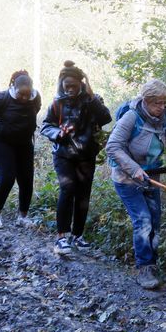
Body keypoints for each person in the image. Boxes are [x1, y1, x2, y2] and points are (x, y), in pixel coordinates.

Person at [106, 78, 166, 289]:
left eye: (164, 103)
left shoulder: (163, 118)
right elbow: (113, 147)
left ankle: (152, 264)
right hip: (126, 179)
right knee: (143, 220)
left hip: (151, 177)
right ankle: (144, 268)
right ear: (146, 101)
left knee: (155, 221)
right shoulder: (131, 117)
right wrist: (134, 169)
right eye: (158, 103)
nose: (162, 107)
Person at [40, 61, 112, 255]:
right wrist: (58, 133)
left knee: (83, 195)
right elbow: (45, 126)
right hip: (63, 154)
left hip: (86, 154)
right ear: (62, 84)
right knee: (67, 189)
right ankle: (61, 237)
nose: (70, 89)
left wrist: (90, 96)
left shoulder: (93, 100)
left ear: (82, 83)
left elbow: (106, 118)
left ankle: (78, 236)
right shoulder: (57, 103)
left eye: (74, 85)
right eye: (67, 85)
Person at [0, 70, 41, 229]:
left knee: (26, 180)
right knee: (7, 177)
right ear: (14, 88)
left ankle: (23, 216)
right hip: (2, 142)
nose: (24, 98)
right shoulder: (3, 97)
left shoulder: (35, 98)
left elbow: (36, 111)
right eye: (21, 94)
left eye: (27, 94)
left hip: (24, 143)